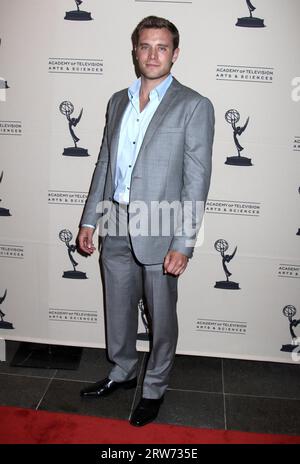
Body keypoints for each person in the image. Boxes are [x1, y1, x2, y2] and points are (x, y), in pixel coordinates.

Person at [77, 15, 214, 427]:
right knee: (117, 308)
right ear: (135, 50)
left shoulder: (194, 105)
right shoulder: (117, 100)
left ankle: (154, 387)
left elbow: (197, 180)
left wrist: (183, 241)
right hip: (115, 221)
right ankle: (122, 371)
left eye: (162, 47)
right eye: (145, 46)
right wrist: (89, 220)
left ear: (175, 53)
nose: (153, 54)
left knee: (161, 316)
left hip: (161, 225)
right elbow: (104, 162)